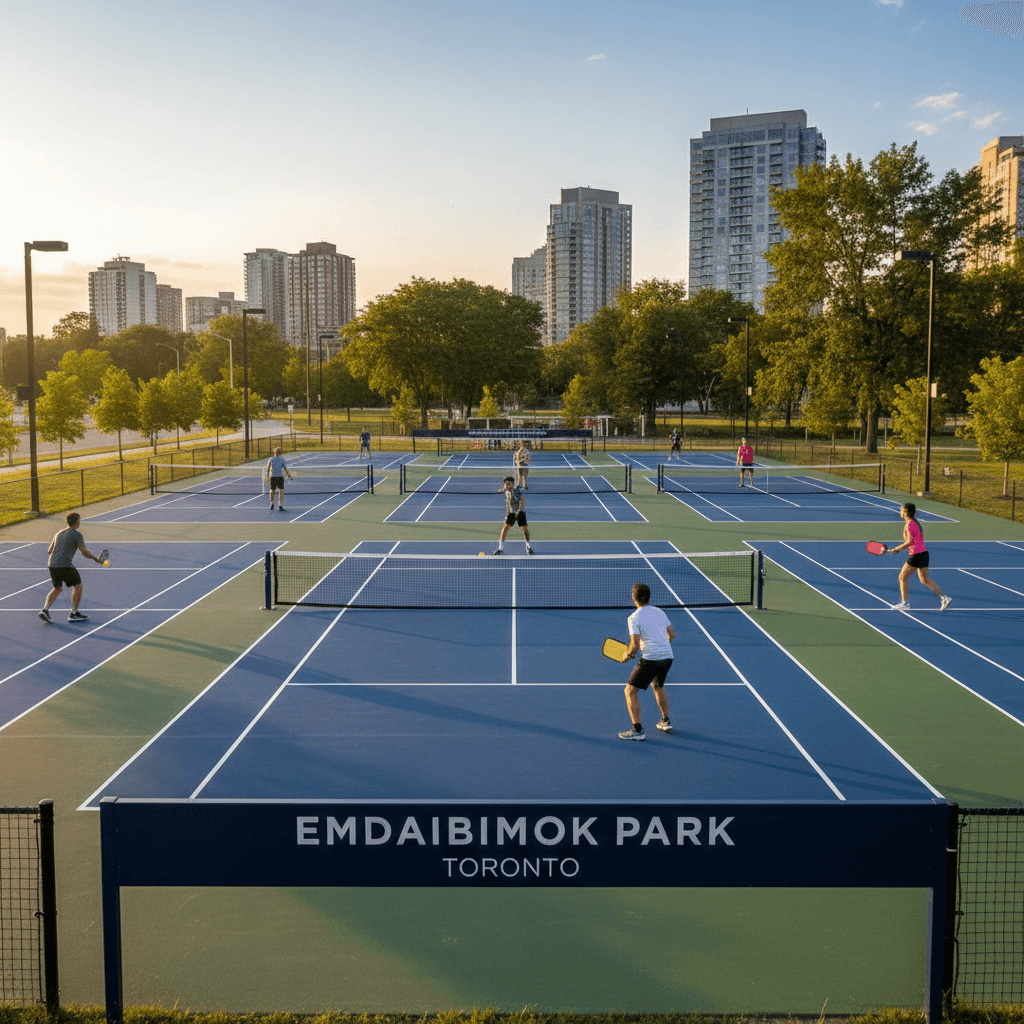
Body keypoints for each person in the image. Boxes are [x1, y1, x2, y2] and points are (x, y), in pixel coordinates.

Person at [619, 582, 676, 740]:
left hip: (651, 659)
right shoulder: (659, 612)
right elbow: (672, 634)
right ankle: (665, 721)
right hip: (667, 657)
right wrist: (661, 646)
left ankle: (637, 730)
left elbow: (635, 645)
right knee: (658, 686)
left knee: (629, 691)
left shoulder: (633, 618)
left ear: (633, 597)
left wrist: (627, 656)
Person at [39, 511, 104, 624]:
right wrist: (95, 558)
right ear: (77, 523)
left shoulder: (59, 533)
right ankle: (74, 613)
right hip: (65, 565)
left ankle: (45, 610)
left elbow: (49, 551)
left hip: (52, 564)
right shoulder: (77, 535)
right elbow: (83, 551)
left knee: (57, 588)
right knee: (78, 586)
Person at [888, 502, 951, 611]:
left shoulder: (910, 524)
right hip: (923, 554)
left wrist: (896, 549)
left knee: (902, 577)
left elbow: (909, 542)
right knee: (924, 580)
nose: (900, 512)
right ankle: (944, 597)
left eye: (901, 510)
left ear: (905, 511)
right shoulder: (914, 523)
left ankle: (905, 603)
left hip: (916, 555)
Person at [493, 476, 532, 555]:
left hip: (519, 512)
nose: (507, 486)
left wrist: (518, 511)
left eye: (509, 484)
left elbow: (522, 500)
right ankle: (500, 548)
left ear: (512, 484)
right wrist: (506, 515)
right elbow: (508, 503)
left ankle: (528, 547)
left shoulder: (516, 492)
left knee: (524, 529)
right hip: (511, 513)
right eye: (505, 484)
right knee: (505, 528)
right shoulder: (506, 492)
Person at [264, 446, 295, 511]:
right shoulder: (274, 459)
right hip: (276, 477)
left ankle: (274, 504)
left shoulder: (273, 459)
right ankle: (277, 504)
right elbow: (286, 469)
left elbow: (267, 469)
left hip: (275, 477)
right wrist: (290, 476)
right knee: (280, 491)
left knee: (274, 490)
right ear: (279, 452)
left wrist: (267, 477)